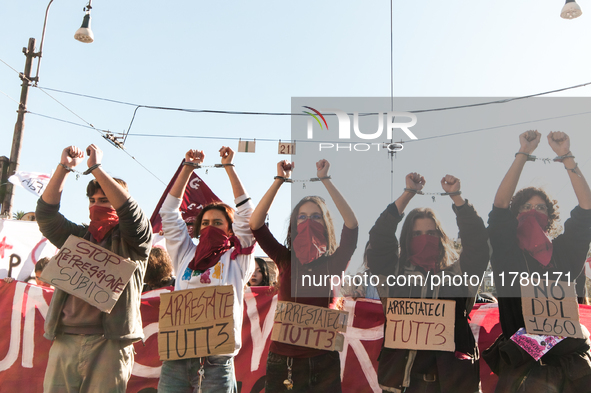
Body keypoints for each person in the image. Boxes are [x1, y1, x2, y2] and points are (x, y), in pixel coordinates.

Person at [36, 145, 152, 393]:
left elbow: (132, 215)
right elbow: (46, 216)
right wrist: (65, 168)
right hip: (65, 339)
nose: (97, 205)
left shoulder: (135, 242)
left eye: (105, 200)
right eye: (93, 201)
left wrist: (96, 169)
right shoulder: (78, 237)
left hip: (110, 343)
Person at [483, 131, 591, 392]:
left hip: (571, 370)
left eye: (541, 208)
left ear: (550, 218)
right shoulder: (508, 255)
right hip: (524, 368)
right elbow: (499, 206)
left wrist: (566, 157)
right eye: (526, 207)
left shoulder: (564, 255)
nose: (534, 211)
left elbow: (586, 210)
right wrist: (523, 153)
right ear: (515, 215)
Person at [366, 173, 489, 393]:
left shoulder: (459, 275)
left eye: (431, 233)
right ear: (406, 240)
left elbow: (478, 243)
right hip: (402, 384)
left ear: (441, 238)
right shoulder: (392, 274)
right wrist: (408, 194)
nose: (424, 239)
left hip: (454, 384)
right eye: (417, 234)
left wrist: (457, 198)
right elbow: (379, 237)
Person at [249, 159, 359, 393]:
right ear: (294, 226)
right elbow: (256, 225)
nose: (309, 221)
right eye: (302, 217)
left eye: (316, 217)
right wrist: (279, 180)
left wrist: (325, 180)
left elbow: (351, 225)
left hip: (324, 362)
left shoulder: (333, 263)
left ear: (326, 224)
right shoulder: (284, 259)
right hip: (283, 361)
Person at [158, 147, 255, 393]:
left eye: (218, 223)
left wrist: (229, 168)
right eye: (206, 223)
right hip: (178, 357)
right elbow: (168, 213)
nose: (210, 226)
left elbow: (248, 215)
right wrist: (187, 168)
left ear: (231, 231)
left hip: (217, 360)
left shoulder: (237, 258)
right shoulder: (185, 253)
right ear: (198, 228)